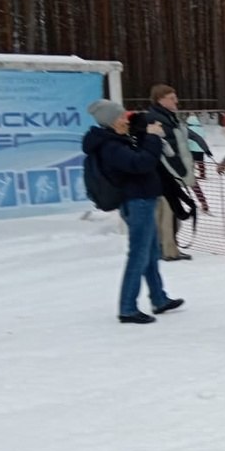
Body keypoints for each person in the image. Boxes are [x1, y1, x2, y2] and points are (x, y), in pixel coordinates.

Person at [81, 100, 184, 324]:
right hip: (136, 202)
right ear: (110, 121)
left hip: (143, 199)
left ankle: (159, 298)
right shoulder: (110, 146)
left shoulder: (118, 140)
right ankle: (127, 307)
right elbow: (141, 163)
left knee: (150, 253)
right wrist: (153, 138)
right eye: (120, 117)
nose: (125, 120)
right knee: (138, 254)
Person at [147, 84, 196, 260]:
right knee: (167, 214)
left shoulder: (169, 117)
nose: (176, 101)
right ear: (160, 100)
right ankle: (167, 250)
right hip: (166, 175)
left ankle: (165, 247)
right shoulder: (157, 119)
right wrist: (180, 173)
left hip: (169, 175)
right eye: (171, 98)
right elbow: (168, 151)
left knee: (169, 213)